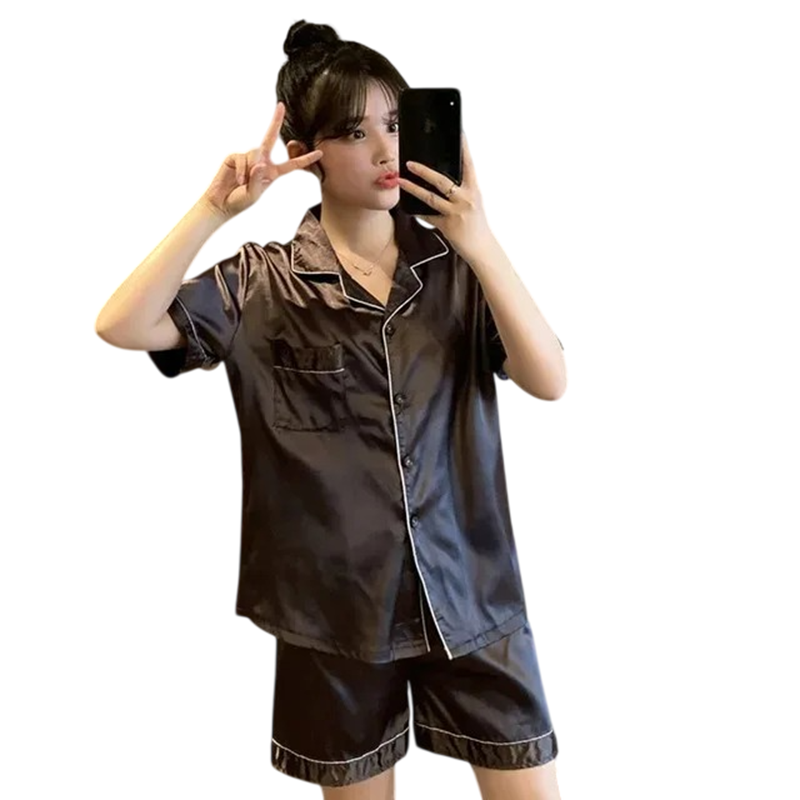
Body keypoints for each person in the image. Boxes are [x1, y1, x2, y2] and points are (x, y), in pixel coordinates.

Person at [95, 19, 565, 800]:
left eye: (396, 123)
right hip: (334, 614)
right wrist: (213, 210)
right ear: (306, 151)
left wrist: (481, 241)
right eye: (354, 132)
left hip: (474, 597)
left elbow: (549, 379)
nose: (385, 150)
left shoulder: (457, 271)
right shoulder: (261, 283)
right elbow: (121, 324)